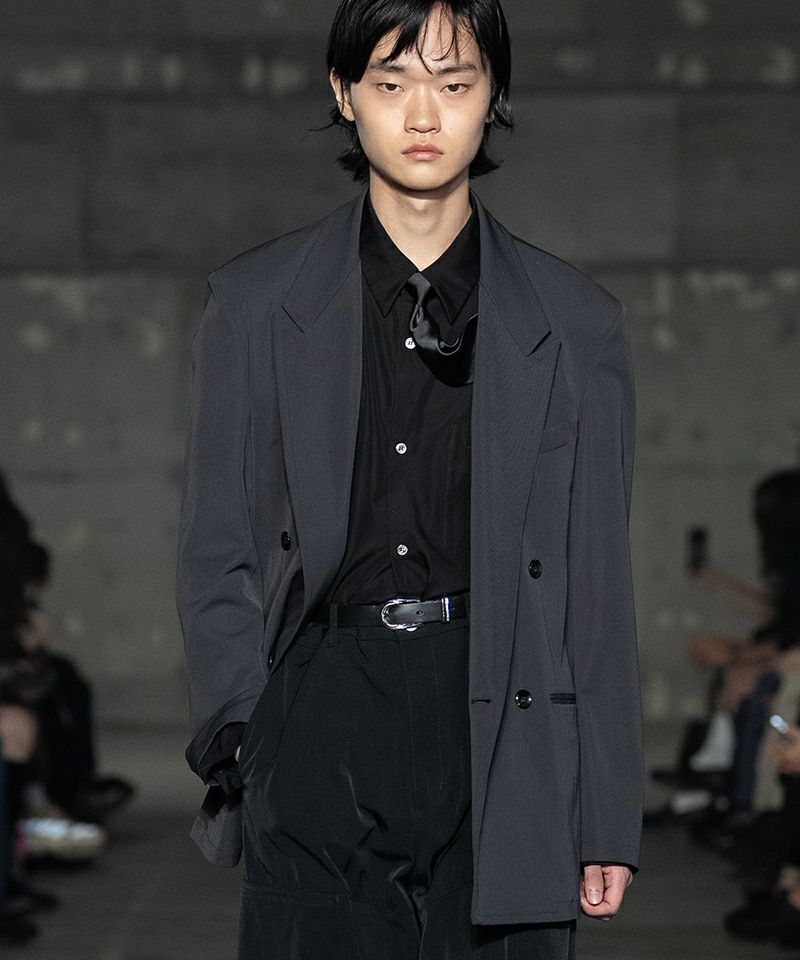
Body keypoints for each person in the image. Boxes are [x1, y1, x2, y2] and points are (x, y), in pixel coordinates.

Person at [176, 1, 643, 957]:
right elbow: (217, 541)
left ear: (493, 98)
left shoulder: (576, 322)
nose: (423, 116)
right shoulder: (257, 302)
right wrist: (243, 732)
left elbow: (596, 584)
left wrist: (605, 812)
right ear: (345, 94)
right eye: (392, 84)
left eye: (454, 84)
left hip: (505, 713)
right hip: (321, 710)